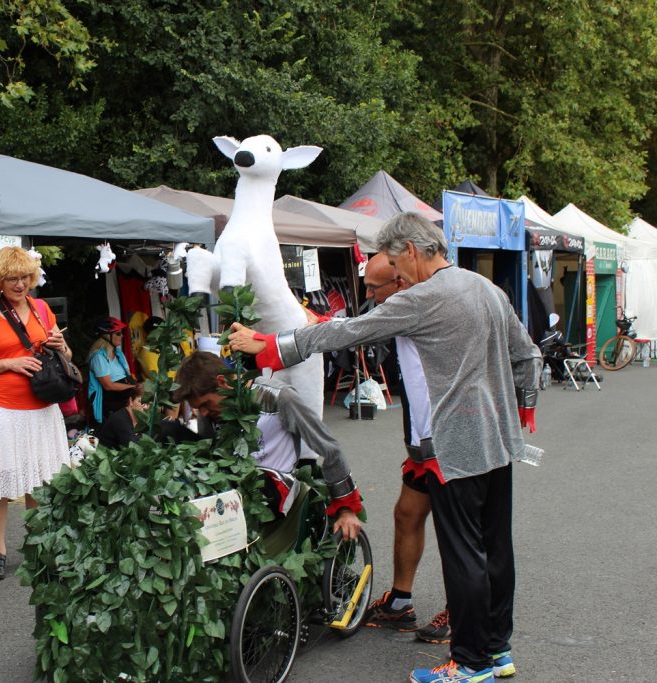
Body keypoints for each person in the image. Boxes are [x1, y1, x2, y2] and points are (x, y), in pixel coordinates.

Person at [229, 212, 540, 683]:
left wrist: (270, 345)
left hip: (452, 447)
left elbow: (346, 331)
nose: (397, 275)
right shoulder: (486, 289)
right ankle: (496, 650)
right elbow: (527, 352)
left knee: (464, 554)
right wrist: (522, 403)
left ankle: (472, 662)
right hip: (496, 440)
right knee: (495, 548)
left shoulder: (424, 297)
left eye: (396, 263)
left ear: (412, 252)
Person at [0, 247, 76, 581]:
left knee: (39, 482)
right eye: (12, 278)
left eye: (25, 277)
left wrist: (60, 345)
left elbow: (67, 354)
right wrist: (9, 363)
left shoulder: (42, 310)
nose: (19, 284)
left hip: (41, 409)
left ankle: (37, 546)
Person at [172, 351, 363, 541]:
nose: (203, 413)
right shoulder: (211, 413)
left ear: (222, 382)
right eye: (198, 408)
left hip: (275, 486)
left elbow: (328, 446)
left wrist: (346, 508)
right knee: (167, 430)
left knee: (252, 481)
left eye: (205, 404)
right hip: (230, 483)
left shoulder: (280, 397)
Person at [359, 253, 449, 644]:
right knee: (406, 514)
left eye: (371, 287)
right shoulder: (401, 305)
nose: (366, 293)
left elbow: (351, 329)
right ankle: (400, 603)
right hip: (420, 442)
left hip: (448, 441)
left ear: (397, 282)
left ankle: (465, 612)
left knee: (457, 533)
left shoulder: (419, 305)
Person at [86, 316, 137, 424]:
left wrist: (138, 387)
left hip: (124, 395)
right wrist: (134, 387)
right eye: (118, 333)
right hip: (111, 400)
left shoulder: (119, 353)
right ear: (106, 336)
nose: (122, 336)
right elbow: (108, 386)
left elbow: (128, 376)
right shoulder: (98, 357)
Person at [95, 383, 145, 449]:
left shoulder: (141, 419)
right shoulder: (120, 420)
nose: (145, 407)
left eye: (149, 403)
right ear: (131, 401)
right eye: (141, 402)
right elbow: (133, 448)